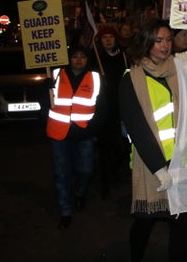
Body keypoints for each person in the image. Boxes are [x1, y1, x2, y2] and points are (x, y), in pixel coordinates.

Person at [119, 19, 187, 262]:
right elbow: (137, 127)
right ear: (147, 43)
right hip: (152, 165)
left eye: (168, 39)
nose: (165, 45)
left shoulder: (181, 70)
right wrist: (159, 169)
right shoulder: (131, 78)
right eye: (158, 40)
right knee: (145, 221)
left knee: (180, 223)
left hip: (181, 160)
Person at [46, 45, 102, 229]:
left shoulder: (96, 77)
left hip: (84, 133)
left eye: (82, 56)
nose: (78, 59)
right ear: (69, 58)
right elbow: (44, 103)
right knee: (61, 173)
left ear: (88, 59)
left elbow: (102, 107)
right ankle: (65, 210)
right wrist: (42, 90)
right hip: (59, 133)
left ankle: (79, 193)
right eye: (75, 56)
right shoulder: (54, 74)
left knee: (86, 170)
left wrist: (93, 128)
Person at [93, 25, 130, 199]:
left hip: (123, 107)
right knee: (105, 147)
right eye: (104, 37)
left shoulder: (124, 56)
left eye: (111, 37)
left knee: (123, 146)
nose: (108, 40)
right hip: (103, 108)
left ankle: (117, 172)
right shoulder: (96, 58)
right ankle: (105, 183)